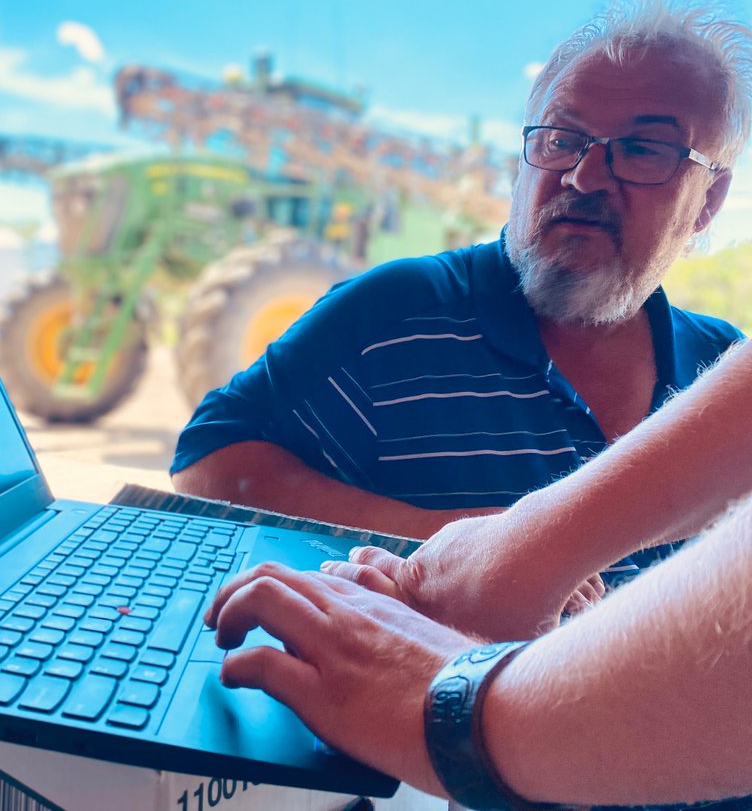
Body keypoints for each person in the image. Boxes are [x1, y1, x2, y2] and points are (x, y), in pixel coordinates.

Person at [171, 0, 748, 596]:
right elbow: (209, 463)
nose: (583, 176)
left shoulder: (722, 370)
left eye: (641, 149)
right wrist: (445, 544)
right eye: (562, 139)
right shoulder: (394, 316)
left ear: (709, 199)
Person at [203, 336, 752, 808]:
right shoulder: (403, 304)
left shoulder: (712, 342)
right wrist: (520, 549)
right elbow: (213, 449)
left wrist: (468, 704)